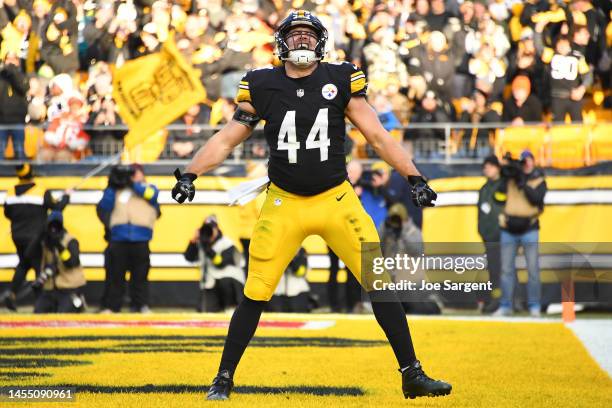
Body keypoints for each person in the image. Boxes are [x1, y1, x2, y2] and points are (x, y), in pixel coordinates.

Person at [171, 11, 450, 401]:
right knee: (256, 291)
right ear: (281, 42)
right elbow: (225, 139)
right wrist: (190, 173)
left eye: (308, 34)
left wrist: (414, 177)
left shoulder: (339, 77)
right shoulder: (262, 83)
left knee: (380, 285)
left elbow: (377, 135)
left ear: (320, 41)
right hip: (284, 202)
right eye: (295, 34)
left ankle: (412, 374)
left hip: (337, 199)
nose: (302, 40)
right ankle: (223, 379)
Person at [1, 164, 68, 310]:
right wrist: (66, 197)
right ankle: (40, 303)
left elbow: (7, 213)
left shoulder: (11, 192)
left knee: (24, 263)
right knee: (39, 267)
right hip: (36, 237)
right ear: (32, 174)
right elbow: (56, 208)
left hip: (17, 236)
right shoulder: (40, 191)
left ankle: (11, 293)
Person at [97, 164, 160, 313]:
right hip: (119, 238)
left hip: (141, 238)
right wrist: (112, 185)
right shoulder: (116, 190)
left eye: (134, 173)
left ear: (142, 174)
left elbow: (152, 196)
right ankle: (112, 307)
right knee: (115, 275)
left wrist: (132, 184)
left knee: (140, 276)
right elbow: (105, 205)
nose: (131, 176)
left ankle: (140, 305)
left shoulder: (149, 187)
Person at [493, 151, 547, 317]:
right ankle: (505, 306)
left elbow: (536, 200)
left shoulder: (539, 179)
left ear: (533, 162)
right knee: (506, 270)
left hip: (529, 228)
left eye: (528, 160)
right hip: (509, 229)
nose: (526, 164)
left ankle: (534, 306)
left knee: (532, 269)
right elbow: (498, 198)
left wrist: (523, 184)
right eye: (523, 162)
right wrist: (505, 176)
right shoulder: (511, 179)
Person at [184, 216, 244, 312]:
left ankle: (231, 306)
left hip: (231, 281)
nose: (209, 233)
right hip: (211, 282)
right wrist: (193, 241)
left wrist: (207, 248)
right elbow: (188, 257)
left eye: (211, 229)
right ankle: (218, 307)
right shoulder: (201, 242)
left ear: (217, 229)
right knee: (205, 310)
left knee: (226, 282)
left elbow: (220, 263)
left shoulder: (226, 242)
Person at [33, 211, 86, 313]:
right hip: (50, 290)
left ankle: (79, 303)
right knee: (38, 313)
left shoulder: (70, 240)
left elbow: (72, 263)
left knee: (63, 315)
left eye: (56, 227)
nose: (53, 231)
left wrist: (60, 246)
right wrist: (40, 235)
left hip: (69, 288)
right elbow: (28, 255)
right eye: (50, 227)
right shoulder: (45, 242)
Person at [477, 156, 503, 314]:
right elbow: (480, 213)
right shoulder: (484, 188)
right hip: (489, 237)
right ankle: (496, 300)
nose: (487, 170)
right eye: (485, 167)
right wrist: (481, 230)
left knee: (505, 270)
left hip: (503, 236)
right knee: (493, 270)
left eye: (490, 166)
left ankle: (507, 301)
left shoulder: (504, 186)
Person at [0, 51, 29, 160]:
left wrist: (13, 72)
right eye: (8, 59)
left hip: (17, 120)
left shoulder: (21, 75)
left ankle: (22, 175)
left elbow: (24, 88)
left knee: (19, 150)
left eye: (14, 59)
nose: (11, 62)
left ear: (18, 61)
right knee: (0, 150)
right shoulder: (1, 76)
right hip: (2, 120)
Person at [269, 247, 313, 313]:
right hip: (277, 293)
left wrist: (291, 261)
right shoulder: (274, 250)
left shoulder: (301, 251)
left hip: (299, 292)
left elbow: (300, 272)